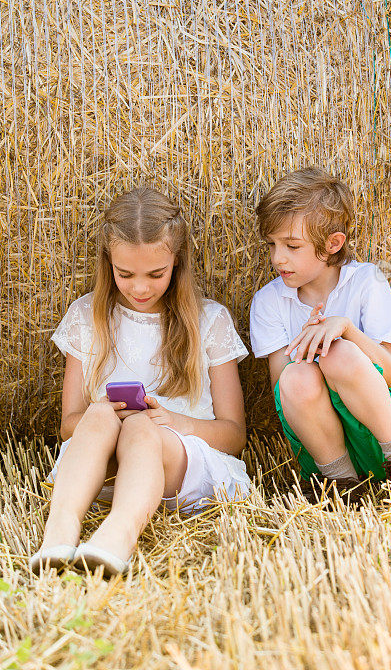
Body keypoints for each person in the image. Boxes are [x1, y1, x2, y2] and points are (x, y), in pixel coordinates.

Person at [31, 187, 250, 576]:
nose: (140, 288)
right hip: (103, 471)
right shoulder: (86, 317)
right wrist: (101, 411)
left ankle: (117, 536)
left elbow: (234, 436)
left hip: (180, 471)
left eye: (156, 273)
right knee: (98, 418)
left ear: (177, 262)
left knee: (141, 428)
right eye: (125, 274)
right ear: (108, 263)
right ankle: (61, 529)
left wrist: (176, 422)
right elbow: (69, 426)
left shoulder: (210, 321)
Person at [249, 167, 391, 505]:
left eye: (292, 246)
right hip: (320, 446)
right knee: (298, 375)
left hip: (380, 436)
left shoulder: (367, 282)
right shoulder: (268, 301)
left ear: (333, 243)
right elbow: (282, 390)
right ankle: (342, 485)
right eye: (272, 245)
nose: (278, 258)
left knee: (340, 353)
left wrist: (345, 328)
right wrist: (307, 346)